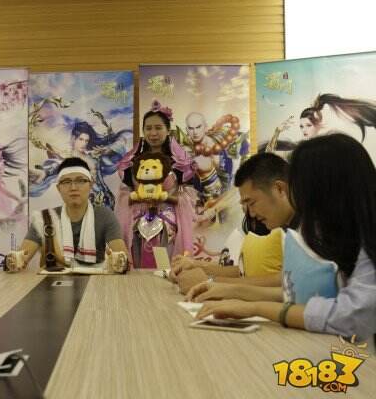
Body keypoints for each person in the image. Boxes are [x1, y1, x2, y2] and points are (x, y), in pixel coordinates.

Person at [188, 134, 376, 342]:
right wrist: (234, 294)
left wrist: (255, 307)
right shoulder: (325, 232)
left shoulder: (354, 235)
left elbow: (351, 316)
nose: (295, 197)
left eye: (299, 186)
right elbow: (298, 292)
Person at [170, 152, 295, 293]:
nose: (250, 213)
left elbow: (285, 281)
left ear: (279, 189)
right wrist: (196, 266)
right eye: (244, 204)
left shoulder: (308, 228)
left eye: (251, 203)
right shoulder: (279, 226)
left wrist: (209, 281)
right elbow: (244, 271)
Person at [5, 158, 128, 273]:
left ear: (91, 185)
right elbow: (21, 256)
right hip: (51, 286)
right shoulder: (44, 218)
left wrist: (119, 261)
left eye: (80, 181)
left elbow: (122, 258)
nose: (73, 187)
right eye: (66, 182)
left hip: (95, 284)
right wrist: (14, 260)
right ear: (59, 188)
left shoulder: (104, 216)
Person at [115, 102, 196, 267]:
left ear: (168, 130)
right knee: (138, 268)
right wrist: (135, 198)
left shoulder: (181, 164)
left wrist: (166, 197)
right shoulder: (132, 162)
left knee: (166, 268)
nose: (153, 133)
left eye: (158, 128)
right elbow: (124, 196)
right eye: (148, 128)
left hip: (168, 226)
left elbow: (187, 198)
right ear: (143, 131)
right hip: (137, 225)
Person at [29, 119, 131, 209]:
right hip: (85, 203)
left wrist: (107, 149)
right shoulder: (68, 160)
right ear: (73, 138)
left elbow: (120, 144)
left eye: (86, 140)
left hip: (106, 199)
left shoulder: (93, 156)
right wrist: (44, 173)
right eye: (81, 139)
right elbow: (56, 167)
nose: (84, 143)